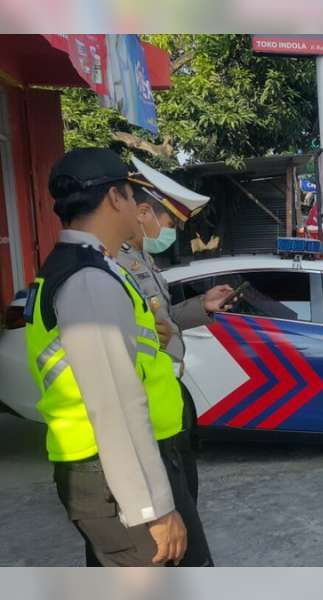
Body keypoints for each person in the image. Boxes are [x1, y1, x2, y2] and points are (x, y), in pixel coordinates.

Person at [24, 148, 212, 567]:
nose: (139, 209)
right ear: (114, 198)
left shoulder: (91, 268)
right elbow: (114, 406)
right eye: (131, 195)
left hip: (111, 470)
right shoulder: (88, 279)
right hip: (113, 474)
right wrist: (154, 509)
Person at [119, 156, 233, 504]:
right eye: (170, 221)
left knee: (184, 489)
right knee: (172, 501)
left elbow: (163, 319)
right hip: (146, 402)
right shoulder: (118, 263)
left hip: (167, 393)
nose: (172, 231)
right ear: (144, 213)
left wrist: (203, 305)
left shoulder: (144, 260)